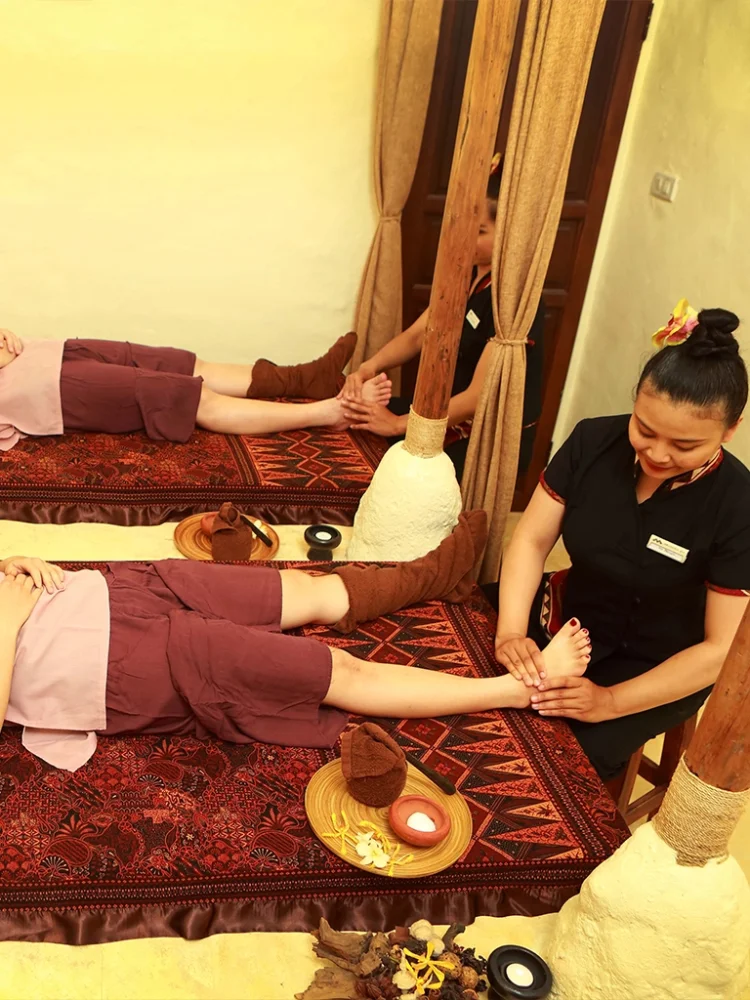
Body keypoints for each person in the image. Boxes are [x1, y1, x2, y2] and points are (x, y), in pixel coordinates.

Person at [0, 511, 592, 773]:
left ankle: (434, 576)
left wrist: (15, 562)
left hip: (115, 591)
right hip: (123, 665)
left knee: (304, 591)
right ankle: (515, 690)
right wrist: (11, 615)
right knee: (338, 672)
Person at [494, 302, 750, 782]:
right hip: (568, 615)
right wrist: (511, 631)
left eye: (684, 446)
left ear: (731, 430)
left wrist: (609, 702)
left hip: (656, 664)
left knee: (553, 770)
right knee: (462, 654)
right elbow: (529, 539)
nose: (657, 453)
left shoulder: (738, 504)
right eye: (644, 429)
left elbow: (719, 649)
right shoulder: (594, 441)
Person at [340, 156, 545, 481]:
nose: (466, 239)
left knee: (391, 474)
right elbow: (418, 335)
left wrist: (395, 424)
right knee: (350, 424)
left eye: (479, 231)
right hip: (442, 409)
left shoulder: (515, 305)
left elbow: (477, 399)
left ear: (508, 233)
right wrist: (368, 367)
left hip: (479, 430)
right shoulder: (468, 274)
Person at [0, 329, 391, 451]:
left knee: (179, 363)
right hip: (35, 388)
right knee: (181, 394)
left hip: (42, 354)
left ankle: (304, 378)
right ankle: (328, 411)